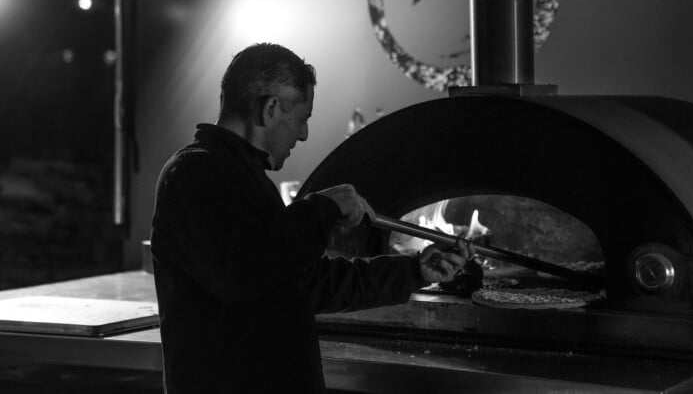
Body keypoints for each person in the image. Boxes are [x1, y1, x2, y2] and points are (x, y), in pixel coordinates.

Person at [150, 42, 473, 393]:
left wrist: (413, 271)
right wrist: (322, 208)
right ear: (271, 109)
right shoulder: (194, 173)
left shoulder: (243, 178)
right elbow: (242, 274)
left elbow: (304, 283)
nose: (303, 134)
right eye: (302, 119)